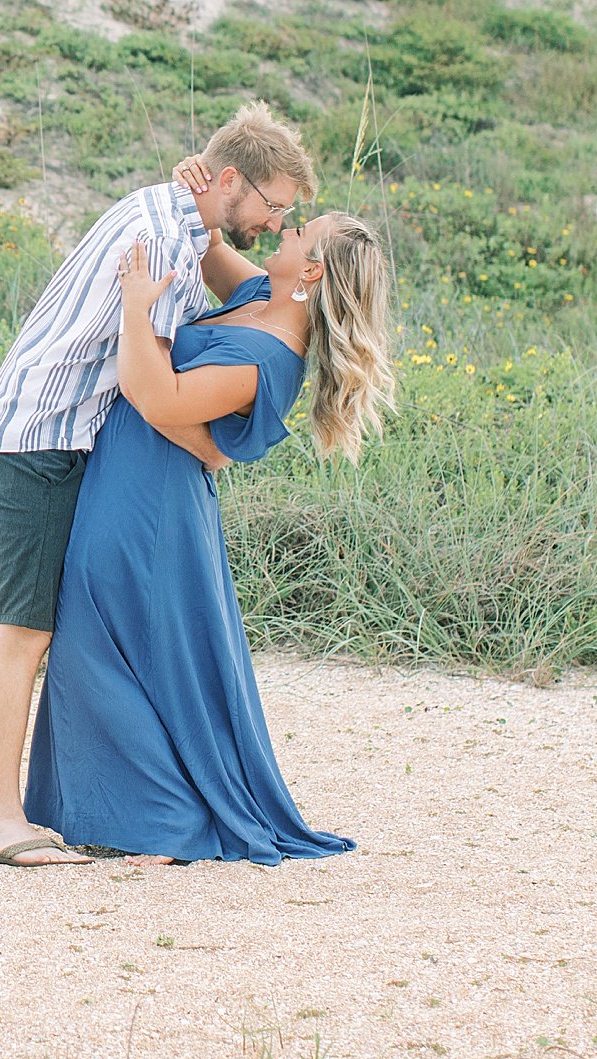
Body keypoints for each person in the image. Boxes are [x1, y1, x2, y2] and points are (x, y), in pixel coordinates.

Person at [0, 104, 321, 867]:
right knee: (22, 632)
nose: (279, 220)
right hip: (42, 438)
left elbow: (243, 285)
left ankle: (58, 803)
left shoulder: (178, 220)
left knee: (44, 631)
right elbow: (149, 385)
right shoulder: (163, 238)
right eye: (275, 204)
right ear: (230, 180)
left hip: (57, 433)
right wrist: (212, 451)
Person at [22, 156, 397, 865]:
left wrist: (137, 312)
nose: (281, 230)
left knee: (99, 638)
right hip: (132, 479)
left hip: (149, 502)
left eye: (297, 232)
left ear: (311, 273)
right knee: (117, 641)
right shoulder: (262, 295)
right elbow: (214, 242)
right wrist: (195, 181)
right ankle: (139, 810)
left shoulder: (266, 357)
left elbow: (154, 394)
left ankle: (160, 822)